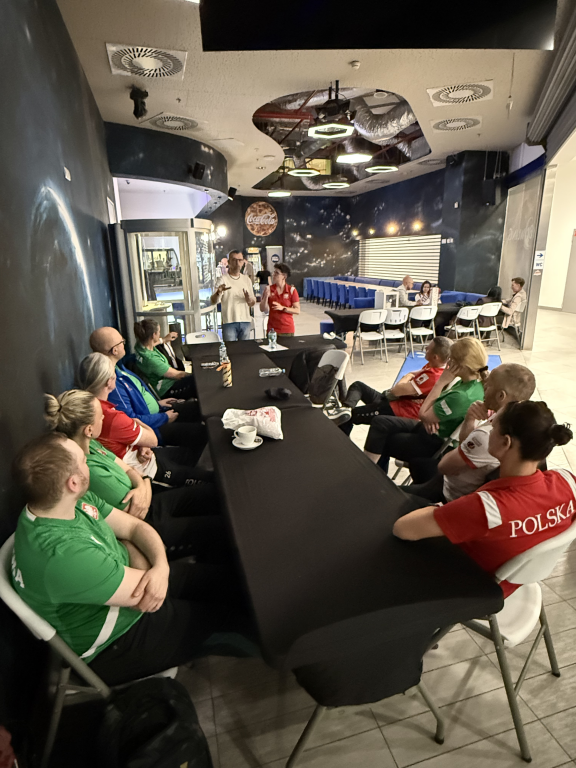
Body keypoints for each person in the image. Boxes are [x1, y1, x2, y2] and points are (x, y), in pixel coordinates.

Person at [11, 432, 257, 686]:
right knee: (229, 623)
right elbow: (145, 598)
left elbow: (134, 527)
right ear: (72, 482)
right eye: (83, 460)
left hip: (132, 581)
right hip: (118, 639)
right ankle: (278, 649)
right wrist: (139, 553)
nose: (88, 459)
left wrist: (159, 566)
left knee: (228, 582)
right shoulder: (61, 556)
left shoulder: (65, 501)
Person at [393, 401, 574, 598]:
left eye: (492, 426)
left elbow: (403, 529)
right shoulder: (569, 482)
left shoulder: (488, 508)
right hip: (513, 580)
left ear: (505, 442)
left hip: (468, 585)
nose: (488, 430)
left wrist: (436, 510)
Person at [45, 390, 223, 557]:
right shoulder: (90, 472)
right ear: (89, 430)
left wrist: (141, 482)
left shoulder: (92, 444)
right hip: (147, 523)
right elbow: (138, 511)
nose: (104, 417)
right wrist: (143, 482)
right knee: (215, 527)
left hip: (150, 497)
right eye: (100, 416)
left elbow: (128, 469)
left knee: (212, 493)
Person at [405, 363, 536, 503]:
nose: (484, 387)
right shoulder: (510, 419)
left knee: (393, 492)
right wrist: (470, 419)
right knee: (417, 462)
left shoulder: (489, 435)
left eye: (488, 385)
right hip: (455, 482)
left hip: (450, 494)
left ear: (500, 396)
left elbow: (444, 467)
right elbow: (466, 444)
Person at [364, 337, 488, 479]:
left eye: (451, 359)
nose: (448, 363)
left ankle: (371, 478)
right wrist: (428, 415)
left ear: (461, 365)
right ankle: (370, 473)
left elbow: (423, 413)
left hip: (434, 441)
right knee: (380, 422)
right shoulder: (472, 383)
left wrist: (441, 382)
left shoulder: (462, 396)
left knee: (383, 440)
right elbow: (427, 413)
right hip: (428, 428)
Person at [77, 353, 207, 486]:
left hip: (143, 452)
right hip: (148, 471)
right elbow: (152, 440)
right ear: (109, 382)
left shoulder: (88, 407)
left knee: (189, 454)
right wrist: (139, 427)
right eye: (113, 374)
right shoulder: (112, 416)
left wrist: (140, 441)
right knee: (206, 481)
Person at [89, 326, 201, 450]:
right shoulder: (112, 384)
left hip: (158, 412)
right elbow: (131, 421)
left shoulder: (119, 367)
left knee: (197, 408)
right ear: (115, 350)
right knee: (200, 432)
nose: (124, 344)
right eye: (122, 342)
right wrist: (164, 417)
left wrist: (157, 404)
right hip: (154, 427)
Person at [336, 337, 451, 433]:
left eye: (428, 348)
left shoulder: (432, 376)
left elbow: (396, 390)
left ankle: (341, 441)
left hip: (399, 410)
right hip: (392, 401)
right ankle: (345, 409)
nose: (425, 348)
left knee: (352, 416)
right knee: (358, 386)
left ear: (435, 357)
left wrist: (406, 376)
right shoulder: (435, 366)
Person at [133, 319, 197, 401]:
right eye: (159, 332)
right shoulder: (151, 360)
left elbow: (151, 344)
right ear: (154, 335)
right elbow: (178, 375)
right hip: (167, 389)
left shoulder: (140, 347)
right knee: (197, 383)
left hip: (162, 380)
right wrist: (197, 375)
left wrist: (163, 340)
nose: (160, 334)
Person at [210, 249, 256, 341]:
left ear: (243, 262)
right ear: (229, 262)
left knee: (245, 348)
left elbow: (252, 302)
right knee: (230, 348)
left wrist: (249, 300)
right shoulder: (223, 279)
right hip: (229, 322)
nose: (237, 263)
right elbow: (213, 301)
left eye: (240, 260)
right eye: (234, 260)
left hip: (245, 321)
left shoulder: (246, 279)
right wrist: (218, 292)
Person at [260, 263, 300, 337]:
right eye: (274, 272)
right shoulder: (269, 289)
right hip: (272, 329)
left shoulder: (291, 290)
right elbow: (262, 309)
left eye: (277, 273)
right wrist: (265, 297)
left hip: (287, 329)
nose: (273, 275)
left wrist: (283, 308)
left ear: (284, 276)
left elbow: (297, 310)